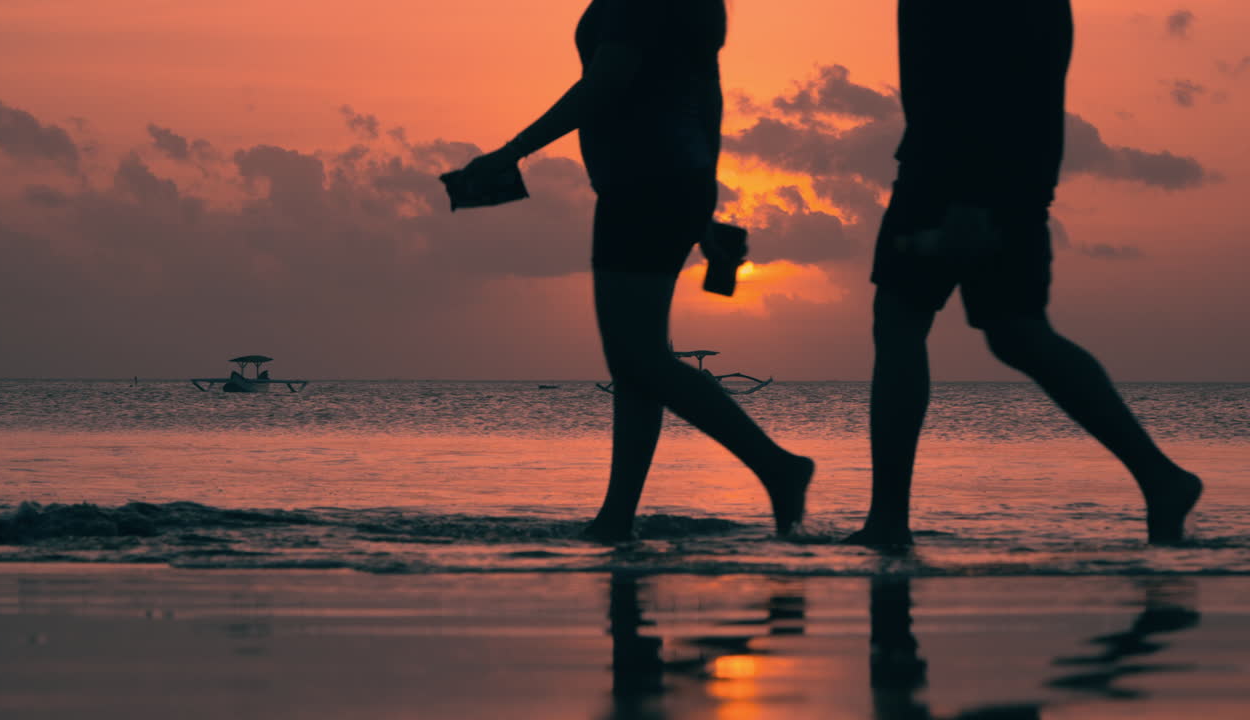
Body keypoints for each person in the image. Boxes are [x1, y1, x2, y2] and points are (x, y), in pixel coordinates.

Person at [453, 0, 813, 542]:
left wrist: (510, 153)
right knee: (636, 361)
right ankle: (617, 518)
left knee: (637, 357)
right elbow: (706, 100)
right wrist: (704, 201)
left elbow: (605, 84)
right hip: (670, 182)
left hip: (641, 188)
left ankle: (776, 466)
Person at [849, 1, 1201, 547]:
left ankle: (889, 521)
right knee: (1009, 331)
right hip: (976, 168)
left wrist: (970, 197)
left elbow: (1001, 71)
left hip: (961, 171)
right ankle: (1160, 478)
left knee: (913, 321)